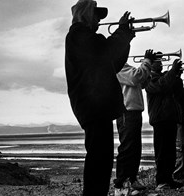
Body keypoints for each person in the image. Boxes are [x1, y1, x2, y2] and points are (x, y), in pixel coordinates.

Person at [65, 0, 135, 195]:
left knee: (102, 159)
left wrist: (125, 37)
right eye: (96, 15)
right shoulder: (78, 36)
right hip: (92, 106)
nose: (98, 20)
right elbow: (106, 51)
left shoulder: (86, 38)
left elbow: (113, 63)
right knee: (99, 158)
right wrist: (121, 32)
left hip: (97, 106)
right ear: (86, 15)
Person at [113, 49, 153, 196]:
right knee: (127, 148)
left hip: (134, 110)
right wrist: (147, 61)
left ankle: (132, 179)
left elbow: (141, 83)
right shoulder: (118, 66)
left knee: (135, 148)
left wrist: (149, 69)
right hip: (126, 111)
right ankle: (121, 185)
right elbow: (135, 77)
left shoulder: (126, 66)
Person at [145, 54, 184, 191]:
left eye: (161, 61)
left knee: (170, 152)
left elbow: (178, 93)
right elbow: (161, 86)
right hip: (160, 118)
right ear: (151, 64)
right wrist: (172, 72)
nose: (161, 64)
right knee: (162, 152)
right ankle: (161, 182)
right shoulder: (149, 78)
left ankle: (169, 179)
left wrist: (177, 76)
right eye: (158, 62)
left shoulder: (165, 76)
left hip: (170, 117)